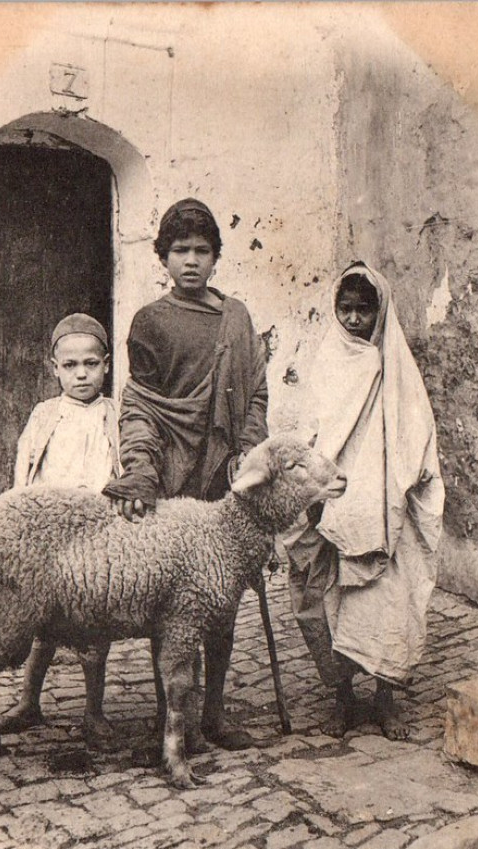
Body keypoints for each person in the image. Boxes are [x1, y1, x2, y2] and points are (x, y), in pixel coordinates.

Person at [103, 198, 268, 749]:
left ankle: (214, 714)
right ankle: (170, 717)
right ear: (162, 257)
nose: (191, 261)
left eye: (202, 251)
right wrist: (142, 470)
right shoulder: (150, 322)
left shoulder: (238, 319)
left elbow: (256, 392)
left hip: (224, 480)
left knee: (223, 604)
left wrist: (247, 450)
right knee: (173, 609)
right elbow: (141, 407)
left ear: (217, 257)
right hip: (174, 484)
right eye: (180, 251)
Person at [284, 263, 445, 739]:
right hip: (335, 502)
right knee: (330, 601)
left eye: (364, 309)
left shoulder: (396, 367)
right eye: (345, 309)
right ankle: (342, 697)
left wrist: (404, 480)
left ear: (380, 311)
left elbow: (418, 428)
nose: (354, 319)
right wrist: (311, 485)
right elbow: (313, 427)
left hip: (384, 506)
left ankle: (384, 698)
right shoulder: (326, 362)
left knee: (386, 601)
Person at [0, 313, 118, 748]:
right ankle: (29, 700)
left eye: (91, 363)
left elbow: (120, 473)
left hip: (94, 536)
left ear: (106, 363)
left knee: (94, 627)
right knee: (43, 624)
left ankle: (93, 712)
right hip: (49, 534)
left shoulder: (114, 416)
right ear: (54, 368)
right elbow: (25, 471)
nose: (82, 374)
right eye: (71, 366)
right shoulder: (45, 415)